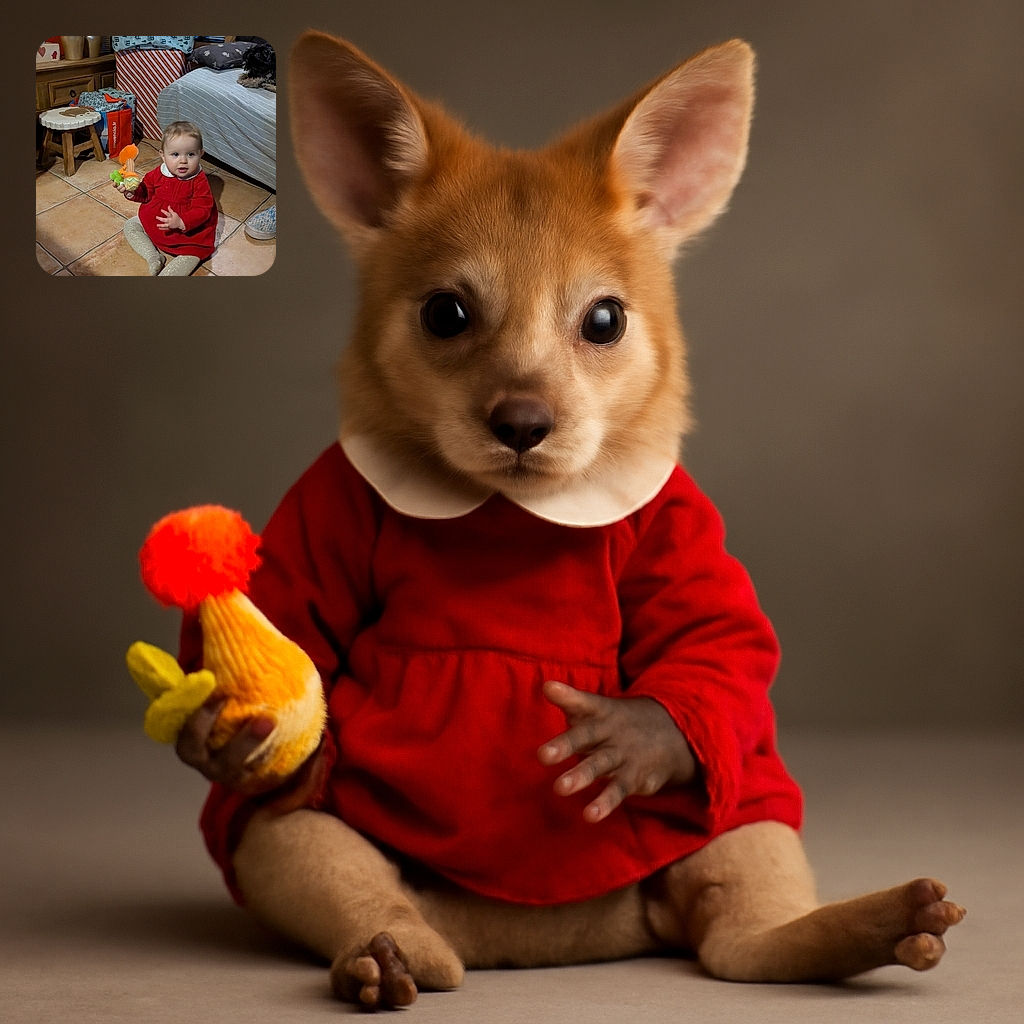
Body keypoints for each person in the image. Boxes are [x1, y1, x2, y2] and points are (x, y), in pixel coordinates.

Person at [114, 121, 218, 276]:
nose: (183, 161)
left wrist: (183, 221)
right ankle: (153, 257)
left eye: (191, 154)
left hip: (187, 237)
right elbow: (145, 193)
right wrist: (132, 192)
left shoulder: (199, 180)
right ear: (162, 155)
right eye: (175, 154)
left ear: (200, 154)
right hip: (155, 224)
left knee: (193, 256)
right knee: (131, 225)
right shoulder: (157, 174)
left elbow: (203, 209)